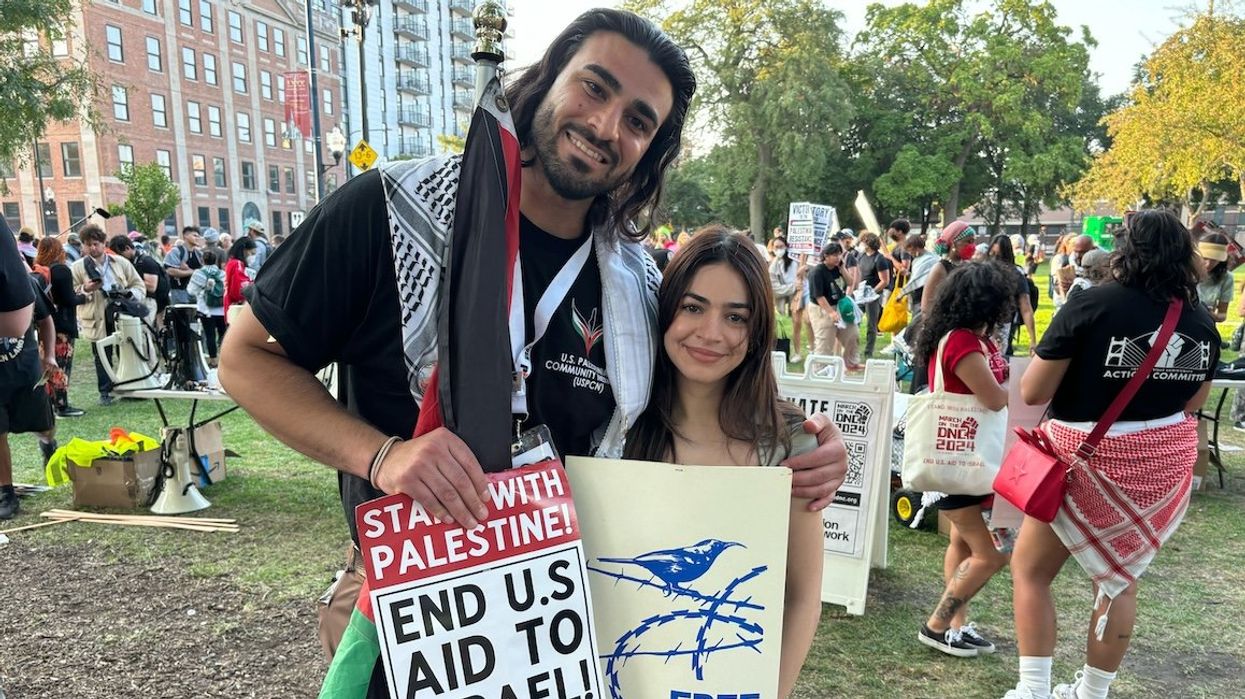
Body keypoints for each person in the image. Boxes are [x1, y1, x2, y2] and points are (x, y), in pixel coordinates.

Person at [218, 8, 848, 675]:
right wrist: (383, 457)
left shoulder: (635, 281)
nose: (606, 126)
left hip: (561, 623)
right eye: (594, 87)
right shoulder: (389, 205)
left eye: (638, 121)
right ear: (547, 78)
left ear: (652, 149)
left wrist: (804, 441)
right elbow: (245, 358)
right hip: (407, 610)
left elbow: (700, 391)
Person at [1006, 210, 1217, 699]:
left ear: (1126, 250)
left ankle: (1034, 689)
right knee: (1122, 579)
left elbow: (1034, 392)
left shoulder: (1092, 305)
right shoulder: (1201, 323)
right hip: (1158, 468)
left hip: (1083, 462)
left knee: (1032, 572)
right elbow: (1193, 404)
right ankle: (1093, 692)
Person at [623, 228, 822, 696]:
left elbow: (801, 597)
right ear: (665, 309)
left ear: (756, 334)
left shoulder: (788, 443)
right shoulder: (618, 429)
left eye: (736, 317)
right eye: (693, 308)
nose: (711, 334)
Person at [912, 262, 1014, 658]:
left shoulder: (965, 338)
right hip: (960, 460)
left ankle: (956, 626)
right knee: (991, 555)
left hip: (966, 459)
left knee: (963, 543)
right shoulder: (962, 343)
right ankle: (937, 625)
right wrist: (1022, 382)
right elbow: (993, 398)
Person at [1, 268, 60, 519]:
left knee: (43, 426)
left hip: (26, 372)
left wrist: (49, 355)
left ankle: (48, 444)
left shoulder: (22, 283)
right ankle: (6, 492)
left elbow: (45, 320)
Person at [70, 224, 146, 406]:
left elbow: (138, 285)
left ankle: (128, 385)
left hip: (121, 312)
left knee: (127, 350)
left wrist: (129, 295)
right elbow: (71, 293)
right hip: (96, 316)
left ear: (104, 243)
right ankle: (105, 391)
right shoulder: (78, 267)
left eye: (96, 243)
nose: (92, 248)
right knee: (101, 354)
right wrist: (85, 289)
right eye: (88, 245)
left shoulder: (120, 263)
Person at [911, 221, 976, 393]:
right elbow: (927, 307)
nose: (972, 246)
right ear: (954, 243)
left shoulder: (969, 268)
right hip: (940, 336)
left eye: (973, 241)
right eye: (968, 241)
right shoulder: (940, 268)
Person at [34, 238, 87, 417]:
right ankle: (62, 405)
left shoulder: (41, 271)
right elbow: (68, 299)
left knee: (47, 366)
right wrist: (84, 297)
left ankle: (48, 403)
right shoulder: (61, 270)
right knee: (62, 366)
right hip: (63, 326)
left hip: (45, 325)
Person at [806, 242, 860, 369]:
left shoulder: (838, 268)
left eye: (839, 255)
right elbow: (819, 296)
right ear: (826, 255)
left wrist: (842, 268)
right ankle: (820, 369)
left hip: (839, 306)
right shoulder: (817, 272)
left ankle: (850, 363)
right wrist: (831, 312)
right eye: (834, 255)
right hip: (822, 309)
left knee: (852, 334)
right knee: (825, 341)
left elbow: (851, 282)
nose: (838, 258)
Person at [986, 233, 1037, 355]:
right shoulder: (982, 272)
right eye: (992, 255)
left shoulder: (1016, 275)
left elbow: (1026, 308)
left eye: (999, 256)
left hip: (1005, 327)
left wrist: (1033, 340)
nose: (995, 260)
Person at [109, 234, 170, 322]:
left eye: (120, 254)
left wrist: (129, 281)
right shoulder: (133, 262)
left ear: (127, 248)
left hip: (149, 301)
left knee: (145, 331)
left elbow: (152, 287)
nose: (120, 258)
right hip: (137, 301)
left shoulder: (146, 262)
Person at [853, 232, 892, 357]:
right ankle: (853, 348)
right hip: (860, 293)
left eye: (863, 241)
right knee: (855, 321)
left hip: (873, 295)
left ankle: (868, 351)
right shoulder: (861, 256)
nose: (861, 244)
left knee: (871, 324)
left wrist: (872, 292)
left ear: (868, 243)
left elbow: (885, 281)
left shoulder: (879, 259)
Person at [187, 250, 228, 367]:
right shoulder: (222, 273)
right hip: (221, 309)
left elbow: (191, 291)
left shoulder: (198, 273)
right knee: (223, 334)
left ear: (202, 260)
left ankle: (213, 359)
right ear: (215, 260)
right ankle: (225, 357)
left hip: (205, 309)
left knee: (210, 335)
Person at [1195, 231, 1232, 323]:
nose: (1208, 264)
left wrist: (1211, 315)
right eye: (1205, 258)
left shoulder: (1226, 278)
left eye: (1215, 260)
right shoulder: (1185, 272)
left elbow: (1222, 314)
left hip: (1205, 323)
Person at [164, 226, 204, 303]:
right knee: (181, 314)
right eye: (194, 235)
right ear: (186, 236)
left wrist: (189, 270)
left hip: (196, 293)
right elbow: (170, 271)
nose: (197, 238)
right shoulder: (176, 252)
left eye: (198, 236)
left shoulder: (199, 254)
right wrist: (192, 272)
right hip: (179, 291)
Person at [223, 237, 256, 324]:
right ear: (244, 250)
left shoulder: (232, 262)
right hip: (236, 307)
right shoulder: (237, 264)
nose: (252, 256)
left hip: (230, 305)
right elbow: (239, 288)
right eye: (251, 253)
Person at [790, 253, 813, 363]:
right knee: (796, 322)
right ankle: (797, 352)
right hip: (796, 289)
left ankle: (812, 350)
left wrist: (806, 267)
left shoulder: (815, 252)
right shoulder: (793, 254)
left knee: (808, 320)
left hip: (809, 287)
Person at [769, 235, 797, 315]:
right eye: (776, 247)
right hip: (782, 301)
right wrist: (793, 287)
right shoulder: (773, 266)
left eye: (781, 246)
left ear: (786, 247)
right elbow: (774, 288)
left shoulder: (795, 262)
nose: (779, 249)